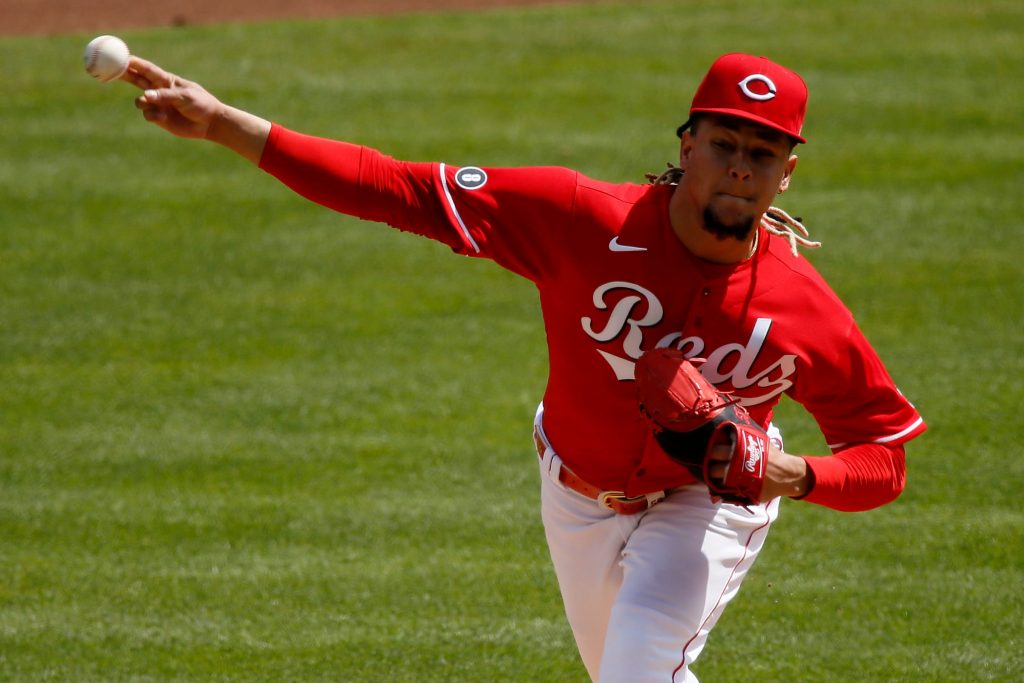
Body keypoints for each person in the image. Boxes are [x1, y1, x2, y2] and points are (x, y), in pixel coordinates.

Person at [121, 51, 926, 682]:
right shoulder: (577, 217)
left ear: (788, 171)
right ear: (687, 145)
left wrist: (793, 473)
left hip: (704, 505)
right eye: (724, 144)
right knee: (625, 670)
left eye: (763, 151)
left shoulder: (803, 307)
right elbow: (393, 187)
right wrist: (225, 123)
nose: (740, 167)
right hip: (574, 492)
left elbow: (884, 454)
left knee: (641, 667)